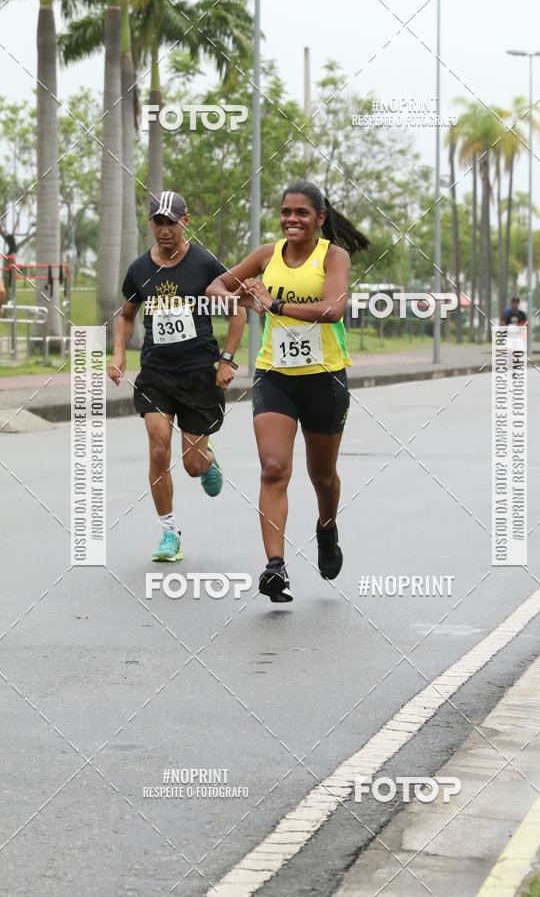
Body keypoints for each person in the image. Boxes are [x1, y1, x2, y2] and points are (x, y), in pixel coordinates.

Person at [207, 181, 370, 603]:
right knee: (274, 468)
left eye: (301, 213)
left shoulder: (333, 256)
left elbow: (333, 309)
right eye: (285, 212)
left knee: (322, 476)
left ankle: (327, 527)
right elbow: (215, 287)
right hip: (275, 375)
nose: (291, 219)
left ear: (319, 218)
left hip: (325, 378)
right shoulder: (266, 255)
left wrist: (275, 306)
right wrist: (237, 296)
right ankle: (275, 567)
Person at [107, 191, 246, 562]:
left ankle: (207, 461)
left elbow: (239, 312)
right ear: (150, 223)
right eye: (158, 222)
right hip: (157, 372)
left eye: (172, 222)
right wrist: (119, 352)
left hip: (199, 372)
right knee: (157, 449)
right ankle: (170, 534)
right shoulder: (139, 269)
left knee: (192, 465)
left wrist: (227, 360)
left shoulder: (204, 264)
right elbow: (125, 314)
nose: (165, 230)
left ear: (186, 222)